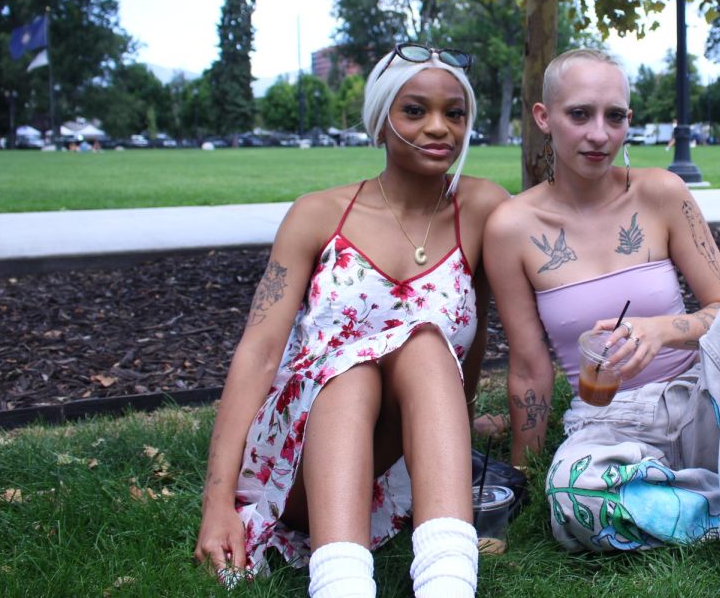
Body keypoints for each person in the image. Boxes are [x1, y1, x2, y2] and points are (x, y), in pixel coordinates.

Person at [483, 48, 720, 598]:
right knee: (573, 501)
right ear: (543, 117)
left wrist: (662, 329)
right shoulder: (511, 227)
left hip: (701, 401)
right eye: (580, 114)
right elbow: (529, 365)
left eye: (615, 116)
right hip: (606, 422)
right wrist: (523, 481)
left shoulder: (661, 194)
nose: (599, 134)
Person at [194, 43, 508, 598]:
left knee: (428, 345)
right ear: (380, 120)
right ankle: (340, 585)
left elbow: (475, 339)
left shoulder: (481, 210)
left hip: (396, 457)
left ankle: (448, 584)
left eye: (454, 113)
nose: (439, 127)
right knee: (356, 365)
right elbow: (259, 353)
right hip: (304, 454)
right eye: (415, 110)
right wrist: (217, 503)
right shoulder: (317, 213)